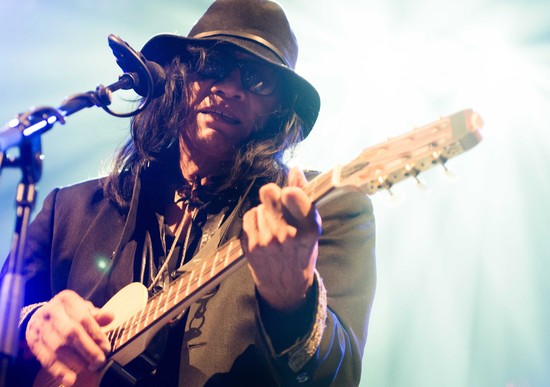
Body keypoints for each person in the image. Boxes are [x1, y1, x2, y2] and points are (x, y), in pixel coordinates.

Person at [3, 0, 376, 385]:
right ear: (178, 77)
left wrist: (295, 299)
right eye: (212, 64)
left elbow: (339, 378)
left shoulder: (321, 209)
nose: (230, 89)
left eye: (257, 80)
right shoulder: (70, 210)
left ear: (279, 109)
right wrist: (33, 321)